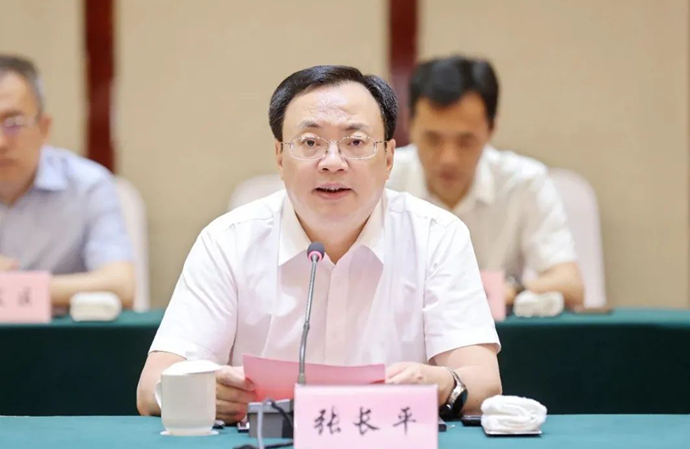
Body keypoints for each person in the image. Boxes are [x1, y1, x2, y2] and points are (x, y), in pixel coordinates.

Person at [137, 65, 501, 423]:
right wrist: (203, 393)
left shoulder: (437, 236)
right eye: (310, 143)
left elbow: (483, 381)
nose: (332, 162)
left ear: (389, 158)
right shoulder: (228, 241)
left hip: (392, 447)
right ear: (280, 157)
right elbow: (152, 385)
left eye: (355, 143)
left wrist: (445, 384)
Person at [388, 55, 584, 307]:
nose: (448, 158)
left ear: (491, 128)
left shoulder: (524, 182)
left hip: (496, 328)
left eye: (465, 141)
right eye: (433, 139)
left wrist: (510, 290)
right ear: (409, 124)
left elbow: (571, 285)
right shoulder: (381, 180)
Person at [0, 54, 135, 308]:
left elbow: (121, 285)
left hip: (61, 331)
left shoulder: (88, 185)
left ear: (44, 128)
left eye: (13, 123)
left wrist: (12, 288)